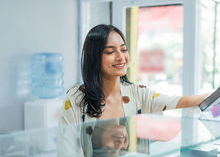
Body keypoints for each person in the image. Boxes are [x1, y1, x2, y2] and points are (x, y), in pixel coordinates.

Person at [60, 24, 208, 125]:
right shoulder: (75, 100)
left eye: (123, 50)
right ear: (95, 58)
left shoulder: (137, 92)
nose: (120, 57)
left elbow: (177, 102)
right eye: (110, 52)